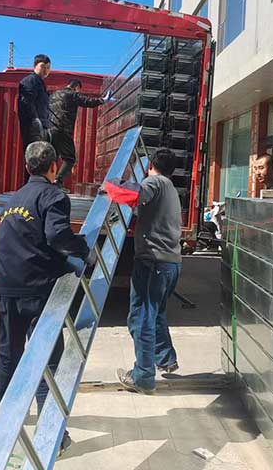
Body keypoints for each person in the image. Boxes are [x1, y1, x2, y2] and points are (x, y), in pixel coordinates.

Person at [0, 141, 96, 452]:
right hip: (38, 288)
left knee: (9, 357)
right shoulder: (54, 196)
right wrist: (83, 250)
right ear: (54, 166)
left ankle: (3, 429)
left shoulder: (15, 197)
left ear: (27, 167)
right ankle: (52, 435)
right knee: (48, 362)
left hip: (7, 285)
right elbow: (56, 236)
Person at [103, 148, 182, 395]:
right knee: (156, 314)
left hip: (153, 263)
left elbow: (133, 194)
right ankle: (166, 358)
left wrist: (108, 186)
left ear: (149, 166)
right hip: (171, 263)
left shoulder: (153, 182)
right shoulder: (170, 188)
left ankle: (143, 378)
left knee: (141, 319)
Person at [49, 78, 110, 187]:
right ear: (76, 87)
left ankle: (46, 182)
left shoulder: (54, 95)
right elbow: (87, 102)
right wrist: (103, 100)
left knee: (52, 157)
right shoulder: (72, 94)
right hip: (63, 131)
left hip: (50, 130)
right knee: (69, 158)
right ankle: (57, 182)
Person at [18, 54, 52, 149]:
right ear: (34, 66)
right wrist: (35, 121)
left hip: (42, 127)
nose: (46, 70)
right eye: (43, 66)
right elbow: (26, 103)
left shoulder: (41, 84)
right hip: (34, 128)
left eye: (48, 68)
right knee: (35, 154)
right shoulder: (30, 81)